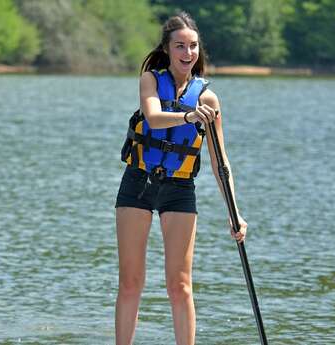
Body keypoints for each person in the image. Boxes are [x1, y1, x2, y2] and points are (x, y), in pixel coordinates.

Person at [114, 11, 248, 345]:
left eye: (193, 47)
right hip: (139, 183)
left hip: (179, 190)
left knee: (181, 284)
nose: (187, 53)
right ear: (167, 49)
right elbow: (154, 117)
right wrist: (189, 115)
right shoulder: (150, 79)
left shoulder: (209, 99)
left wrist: (235, 213)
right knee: (131, 281)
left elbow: (220, 162)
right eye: (180, 46)